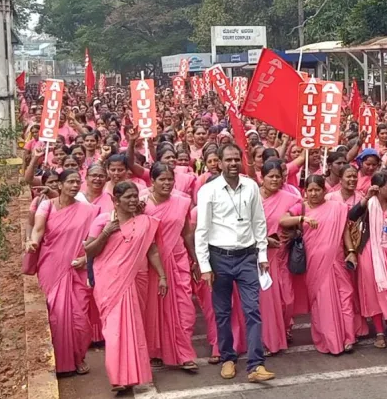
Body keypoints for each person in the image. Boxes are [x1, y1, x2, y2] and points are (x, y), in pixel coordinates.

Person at [195, 144, 276, 382]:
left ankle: (256, 365)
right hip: (218, 259)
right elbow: (202, 230)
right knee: (222, 313)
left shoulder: (251, 186)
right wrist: (205, 267)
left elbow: (259, 223)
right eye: (227, 160)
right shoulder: (208, 191)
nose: (232, 163)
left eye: (235, 159)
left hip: (247, 258)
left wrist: (262, 256)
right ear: (219, 163)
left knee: (253, 310)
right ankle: (228, 358)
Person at [84, 181, 167, 392]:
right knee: (114, 331)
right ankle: (118, 377)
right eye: (127, 197)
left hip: (135, 280)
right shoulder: (103, 221)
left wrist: (163, 276)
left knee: (131, 329)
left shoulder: (144, 222)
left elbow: (153, 251)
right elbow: (89, 251)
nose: (132, 201)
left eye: (134, 196)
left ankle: (132, 375)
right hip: (109, 283)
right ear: (115, 200)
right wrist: (106, 233)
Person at [24, 169, 99, 375]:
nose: (75, 186)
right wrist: (33, 241)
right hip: (51, 266)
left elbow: (96, 239)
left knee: (79, 319)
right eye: (70, 182)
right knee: (56, 316)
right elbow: (38, 229)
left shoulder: (89, 211)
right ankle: (60, 362)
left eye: (77, 182)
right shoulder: (46, 205)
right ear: (60, 185)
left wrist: (87, 258)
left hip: (78, 267)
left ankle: (78, 357)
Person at [282, 175, 357, 355]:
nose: (314, 193)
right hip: (316, 265)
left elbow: (344, 230)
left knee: (345, 297)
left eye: (318, 189)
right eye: (310, 190)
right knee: (323, 303)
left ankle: (349, 338)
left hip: (337, 260)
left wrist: (352, 252)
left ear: (325, 190)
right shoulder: (301, 207)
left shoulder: (337, 208)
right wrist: (302, 219)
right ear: (305, 192)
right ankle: (330, 340)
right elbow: (282, 221)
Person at [141, 163, 199, 370]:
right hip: (152, 264)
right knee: (154, 309)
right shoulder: (141, 203)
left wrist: (196, 261)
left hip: (178, 260)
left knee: (185, 309)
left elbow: (186, 234)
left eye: (169, 179)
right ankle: (155, 351)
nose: (166, 183)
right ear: (152, 181)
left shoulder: (183, 202)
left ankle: (185, 354)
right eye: (161, 179)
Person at [348, 170, 387, 355]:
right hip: (370, 253)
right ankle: (380, 333)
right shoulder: (369, 203)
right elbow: (352, 216)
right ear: (379, 187)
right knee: (374, 294)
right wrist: (366, 198)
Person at [258, 160, 298, 354]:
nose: (275, 179)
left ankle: (284, 329)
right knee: (265, 301)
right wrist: (262, 240)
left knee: (287, 300)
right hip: (259, 257)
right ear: (261, 177)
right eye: (270, 176)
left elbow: (302, 219)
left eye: (278, 176)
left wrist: (295, 233)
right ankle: (268, 340)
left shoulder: (290, 198)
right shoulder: (251, 198)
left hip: (282, 255)